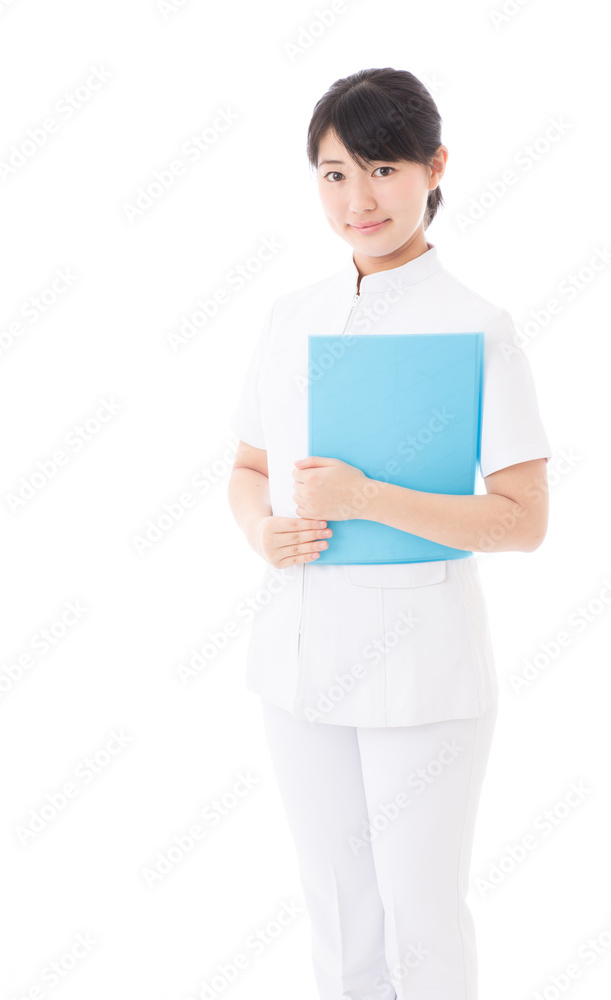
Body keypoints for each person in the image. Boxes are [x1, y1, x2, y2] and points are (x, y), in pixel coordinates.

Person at [227, 67, 552, 1000]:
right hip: (295, 662)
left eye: (380, 169)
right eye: (334, 175)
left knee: (421, 919)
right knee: (336, 913)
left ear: (433, 166)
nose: (357, 200)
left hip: (421, 671)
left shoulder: (478, 329)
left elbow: (524, 522)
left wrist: (366, 497)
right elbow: (247, 472)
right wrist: (262, 534)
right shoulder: (289, 319)